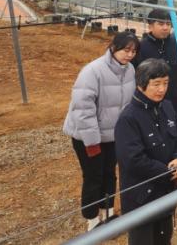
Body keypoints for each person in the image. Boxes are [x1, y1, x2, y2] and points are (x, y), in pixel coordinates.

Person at [63, 31, 139, 231]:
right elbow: (83, 109)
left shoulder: (130, 70)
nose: (129, 55)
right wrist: (92, 142)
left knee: (110, 174)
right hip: (87, 136)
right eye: (126, 50)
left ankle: (108, 213)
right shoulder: (93, 71)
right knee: (93, 176)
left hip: (113, 135)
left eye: (133, 51)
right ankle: (92, 220)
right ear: (113, 47)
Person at [115, 58, 177, 245]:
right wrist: (169, 172)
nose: (162, 89)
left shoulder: (167, 106)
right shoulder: (128, 118)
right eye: (156, 84)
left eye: (165, 83)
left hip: (165, 194)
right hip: (141, 199)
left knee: (164, 238)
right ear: (141, 84)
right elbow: (134, 160)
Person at [135, 9, 177, 114]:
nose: (165, 27)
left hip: (174, 100)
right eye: (161, 24)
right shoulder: (142, 47)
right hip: (150, 101)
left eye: (168, 24)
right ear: (150, 26)